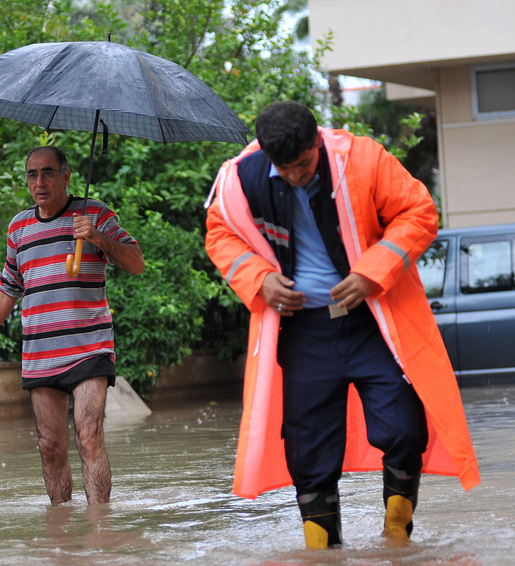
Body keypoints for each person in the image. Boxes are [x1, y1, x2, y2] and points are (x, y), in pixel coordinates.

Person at [205, 101, 479, 548]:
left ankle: (396, 541)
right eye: (285, 168)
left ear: (318, 141)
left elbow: (419, 212)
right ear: (268, 158)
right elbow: (219, 232)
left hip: (372, 321)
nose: (296, 175)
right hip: (304, 332)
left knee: (405, 430)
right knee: (308, 453)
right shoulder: (240, 177)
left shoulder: (363, 158)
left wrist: (371, 272)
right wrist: (260, 279)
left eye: (304, 164)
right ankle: (324, 556)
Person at [0, 146, 144, 505]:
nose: (39, 181)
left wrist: (97, 238)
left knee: (89, 436)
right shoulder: (19, 227)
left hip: (89, 346)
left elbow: (136, 262)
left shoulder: (95, 214)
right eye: (32, 174)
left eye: (48, 172)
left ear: (66, 175)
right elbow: (8, 287)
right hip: (40, 352)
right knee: (50, 446)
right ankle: (59, 537)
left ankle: (100, 531)